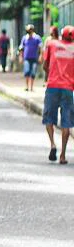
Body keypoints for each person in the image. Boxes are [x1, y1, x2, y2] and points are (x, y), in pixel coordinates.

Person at [41, 25, 74, 163]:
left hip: (53, 86)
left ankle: (53, 144)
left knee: (49, 118)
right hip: (68, 89)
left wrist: (51, 74)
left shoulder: (52, 44)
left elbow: (44, 65)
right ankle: (63, 155)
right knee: (66, 122)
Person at [19, 24, 43, 91]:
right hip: (26, 58)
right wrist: (21, 57)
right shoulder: (25, 38)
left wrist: (41, 55)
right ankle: (27, 86)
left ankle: (31, 87)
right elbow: (21, 48)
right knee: (27, 72)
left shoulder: (37, 38)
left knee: (33, 72)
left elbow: (41, 47)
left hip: (34, 58)